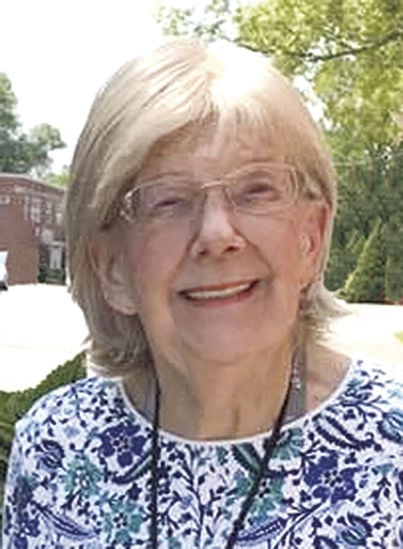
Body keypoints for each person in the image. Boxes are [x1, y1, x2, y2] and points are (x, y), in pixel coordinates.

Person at [2, 38, 402, 548]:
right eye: (167, 201)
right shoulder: (57, 448)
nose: (216, 234)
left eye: (255, 190)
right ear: (112, 266)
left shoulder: (391, 447)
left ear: (312, 236)